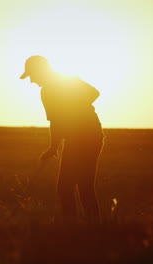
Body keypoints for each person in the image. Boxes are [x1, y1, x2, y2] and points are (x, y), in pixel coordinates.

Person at [20, 55, 104, 224]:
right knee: (79, 186)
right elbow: (57, 120)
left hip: (84, 137)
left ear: (40, 71)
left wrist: (75, 108)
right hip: (88, 135)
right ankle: (88, 227)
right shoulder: (65, 82)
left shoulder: (54, 87)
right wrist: (54, 147)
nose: (32, 81)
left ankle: (72, 227)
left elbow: (93, 93)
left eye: (32, 76)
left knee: (68, 187)